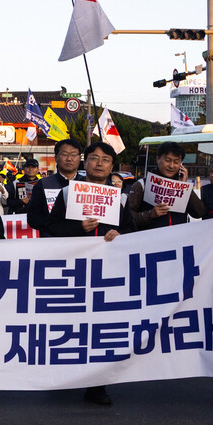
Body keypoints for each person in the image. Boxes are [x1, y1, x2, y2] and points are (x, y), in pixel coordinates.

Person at [46, 141, 134, 406]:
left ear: (111, 166)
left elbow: (131, 230)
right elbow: (51, 226)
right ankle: (64, 373)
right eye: (94, 158)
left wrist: (119, 233)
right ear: (85, 163)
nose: (99, 163)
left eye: (105, 159)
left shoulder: (120, 198)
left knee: (100, 327)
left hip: (106, 271)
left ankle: (97, 384)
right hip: (74, 268)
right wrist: (78, 229)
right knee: (69, 323)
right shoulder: (67, 193)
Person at [127, 141, 205, 229]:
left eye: (176, 162)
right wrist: (150, 214)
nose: (171, 166)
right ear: (158, 159)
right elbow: (127, 217)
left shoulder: (183, 185)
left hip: (178, 239)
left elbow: (199, 213)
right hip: (151, 240)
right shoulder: (142, 185)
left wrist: (186, 187)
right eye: (167, 160)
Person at [27, 139, 83, 237]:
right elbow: (33, 218)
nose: (69, 159)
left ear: (79, 158)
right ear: (56, 158)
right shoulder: (43, 184)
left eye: (74, 154)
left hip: (84, 243)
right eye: (65, 154)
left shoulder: (88, 184)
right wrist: (57, 226)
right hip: (52, 242)